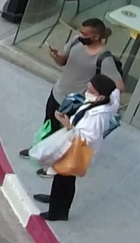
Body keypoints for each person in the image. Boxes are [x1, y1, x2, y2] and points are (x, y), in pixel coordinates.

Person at [20, 18, 125, 157]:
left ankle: (55, 161)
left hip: (74, 103)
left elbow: (119, 86)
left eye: (84, 34)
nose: (80, 35)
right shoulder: (76, 41)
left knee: (64, 137)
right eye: (80, 31)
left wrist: (96, 93)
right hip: (58, 92)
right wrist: (56, 56)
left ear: (96, 37)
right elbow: (63, 61)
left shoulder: (104, 58)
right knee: (48, 125)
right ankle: (38, 150)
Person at [33, 74, 119, 222]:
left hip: (78, 149)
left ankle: (58, 212)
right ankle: (55, 200)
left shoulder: (98, 116)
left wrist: (68, 125)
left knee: (65, 178)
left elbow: (88, 138)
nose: (87, 93)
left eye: (91, 91)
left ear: (101, 96)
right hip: (72, 143)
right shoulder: (96, 103)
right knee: (61, 175)